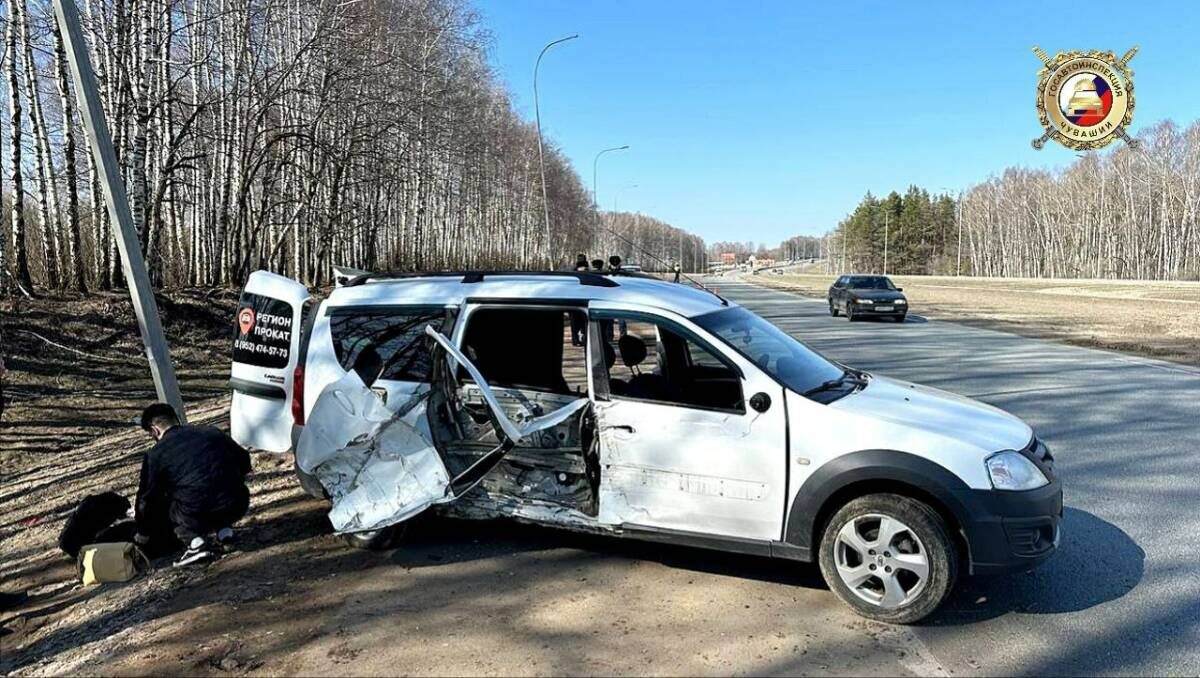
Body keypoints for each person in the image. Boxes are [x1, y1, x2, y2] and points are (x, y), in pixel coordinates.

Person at [135, 403, 251, 566]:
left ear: (154, 431)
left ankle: (196, 544)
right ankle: (225, 533)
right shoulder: (211, 432)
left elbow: (146, 499)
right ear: (177, 419)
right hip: (237, 503)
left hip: (195, 513)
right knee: (214, 485)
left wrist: (143, 532)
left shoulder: (156, 454)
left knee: (163, 499)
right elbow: (245, 462)